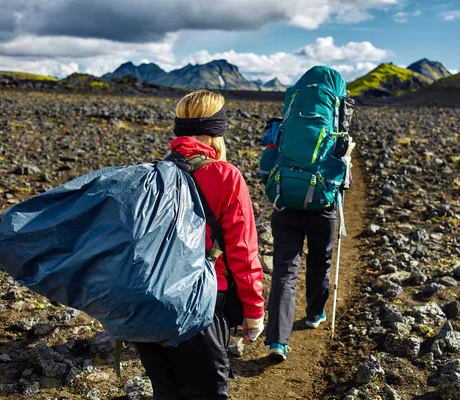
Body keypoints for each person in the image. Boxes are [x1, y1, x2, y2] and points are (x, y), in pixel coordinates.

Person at [134, 90, 264, 399]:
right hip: (202, 305)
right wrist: (254, 312)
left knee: (166, 392)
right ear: (217, 131)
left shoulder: (152, 174)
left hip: (151, 304)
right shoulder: (225, 176)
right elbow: (242, 252)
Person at [265, 204, 337, 361]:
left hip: (285, 209)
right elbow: (346, 182)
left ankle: (277, 342)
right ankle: (314, 314)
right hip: (322, 212)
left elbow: (266, 178)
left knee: (284, 273)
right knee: (320, 263)